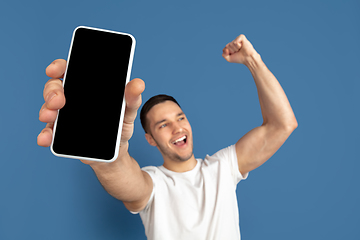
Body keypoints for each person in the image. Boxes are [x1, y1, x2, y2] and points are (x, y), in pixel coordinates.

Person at [38, 34, 298, 240]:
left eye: (180, 118)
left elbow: (282, 124)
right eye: (163, 125)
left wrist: (253, 60)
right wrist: (107, 156)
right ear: (149, 138)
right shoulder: (153, 183)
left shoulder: (223, 167)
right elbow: (127, 182)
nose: (177, 128)